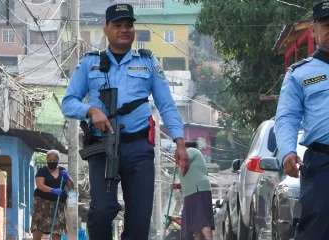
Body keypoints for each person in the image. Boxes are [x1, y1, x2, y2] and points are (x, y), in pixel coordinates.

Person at [61, 3, 189, 240]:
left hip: (139, 148)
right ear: (106, 30)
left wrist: (179, 142)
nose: (124, 30)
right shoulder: (90, 63)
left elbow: (167, 105)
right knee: (102, 210)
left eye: (128, 25)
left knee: (140, 221)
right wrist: (91, 111)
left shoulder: (149, 62)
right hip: (102, 147)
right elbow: (68, 103)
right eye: (117, 25)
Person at [275, 1, 329, 239]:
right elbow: (287, 116)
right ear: (313, 30)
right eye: (326, 25)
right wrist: (287, 151)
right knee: (316, 228)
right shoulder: (300, 73)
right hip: (322, 163)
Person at [170, 141, 214, 240]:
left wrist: (177, 155)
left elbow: (183, 159)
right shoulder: (189, 161)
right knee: (195, 224)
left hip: (198, 189)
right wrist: (177, 186)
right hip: (191, 191)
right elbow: (189, 178)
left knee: (201, 219)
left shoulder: (192, 150)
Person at [31, 150, 74, 240]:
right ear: (47, 160)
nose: (52, 162)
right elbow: (40, 185)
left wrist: (67, 177)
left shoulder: (62, 171)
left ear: (58, 160)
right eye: (50, 160)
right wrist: (52, 190)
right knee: (39, 226)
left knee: (57, 229)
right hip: (42, 204)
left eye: (54, 160)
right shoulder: (42, 170)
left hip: (58, 205)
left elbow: (71, 186)